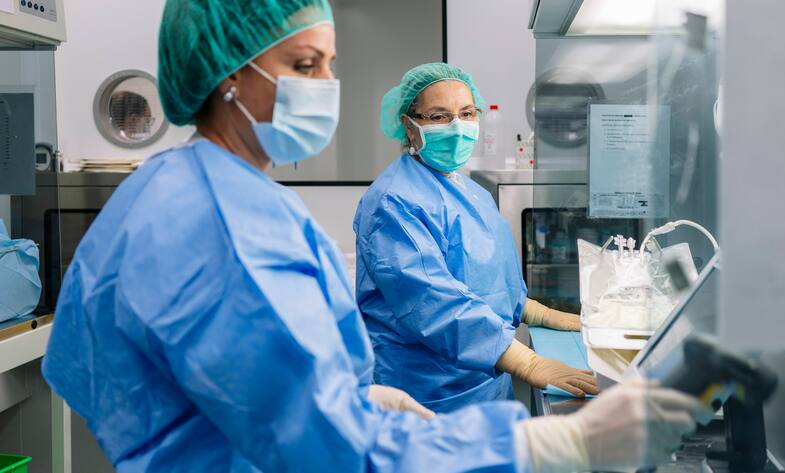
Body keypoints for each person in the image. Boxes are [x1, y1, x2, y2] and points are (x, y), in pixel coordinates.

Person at [41, 1, 711, 472]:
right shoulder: (224, 224)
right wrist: (561, 446)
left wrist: (348, 398)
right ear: (230, 76)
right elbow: (337, 454)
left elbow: (94, 364)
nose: (329, 86)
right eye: (305, 65)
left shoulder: (181, 185)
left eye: (331, 65)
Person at [354, 63, 598, 413]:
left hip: (485, 381)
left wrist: (539, 313)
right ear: (410, 126)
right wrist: (528, 363)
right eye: (439, 117)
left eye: (467, 113)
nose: (457, 126)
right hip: (428, 392)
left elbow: (487, 279)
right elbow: (432, 303)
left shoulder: (470, 192)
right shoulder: (392, 202)